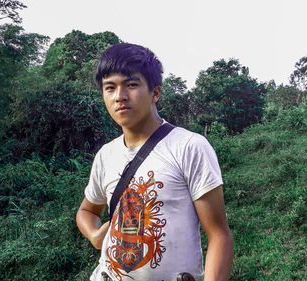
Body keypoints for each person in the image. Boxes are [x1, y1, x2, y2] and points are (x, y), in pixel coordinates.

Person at [76, 43, 233, 281]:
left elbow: (219, 235)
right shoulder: (106, 155)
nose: (120, 96)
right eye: (110, 88)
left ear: (155, 93)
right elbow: (87, 210)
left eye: (131, 85)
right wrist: (95, 235)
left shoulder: (189, 147)